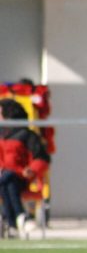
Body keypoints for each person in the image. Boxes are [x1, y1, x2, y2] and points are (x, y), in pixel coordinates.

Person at [0, 99, 50, 239]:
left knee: (7, 180)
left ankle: (12, 224)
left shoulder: (27, 135)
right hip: (6, 178)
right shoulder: (1, 135)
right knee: (6, 182)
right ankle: (21, 217)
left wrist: (32, 170)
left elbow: (42, 158)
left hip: (22, 177)